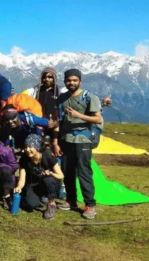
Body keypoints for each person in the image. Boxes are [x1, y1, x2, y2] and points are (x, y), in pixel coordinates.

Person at [53, 69, 102, 219]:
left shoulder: (89, 97)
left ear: (80, 81)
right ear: (65, 82)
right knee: (67, 171)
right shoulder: (62, 98)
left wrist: (79, 115)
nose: (71, 83)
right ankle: (71, 201)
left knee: (84, 172)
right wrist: (55, 142)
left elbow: (98, 119)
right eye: (69, 80)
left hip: (83, 140)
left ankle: (90, 205)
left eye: (74, 80)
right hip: (66, 139)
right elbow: (57, 122)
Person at [15, 134, 63, 220]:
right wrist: (19, 187)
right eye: (26, 147)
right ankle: (39, 197)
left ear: (37, 147)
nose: (27, 150)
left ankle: (51, 204)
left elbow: (61, 176)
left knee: (48, 179)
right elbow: (22, 178)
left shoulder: (48, 156)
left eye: (30, 147)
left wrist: (51, 173)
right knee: (31, 205)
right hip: (33, 185)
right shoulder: (24, 159)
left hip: (50, 183)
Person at [23, 67, 61, 140]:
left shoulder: (60, 92)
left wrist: (56, 122)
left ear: (54, 78)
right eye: (44, 77)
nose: (46, 79)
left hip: (54, 126)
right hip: (37, 125)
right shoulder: (35, 91)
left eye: (50, 77)